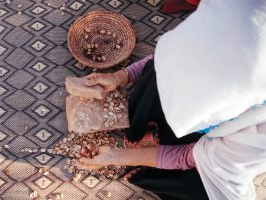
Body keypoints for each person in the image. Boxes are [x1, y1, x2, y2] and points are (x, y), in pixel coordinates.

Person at [75, 0, 266, 199]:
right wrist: (119, 77)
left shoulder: (259, 137)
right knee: (155, 74)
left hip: (225, 152)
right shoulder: (240, 13)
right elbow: (169, 56)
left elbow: (189, 157)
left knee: (204, 190)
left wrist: (116, 156)